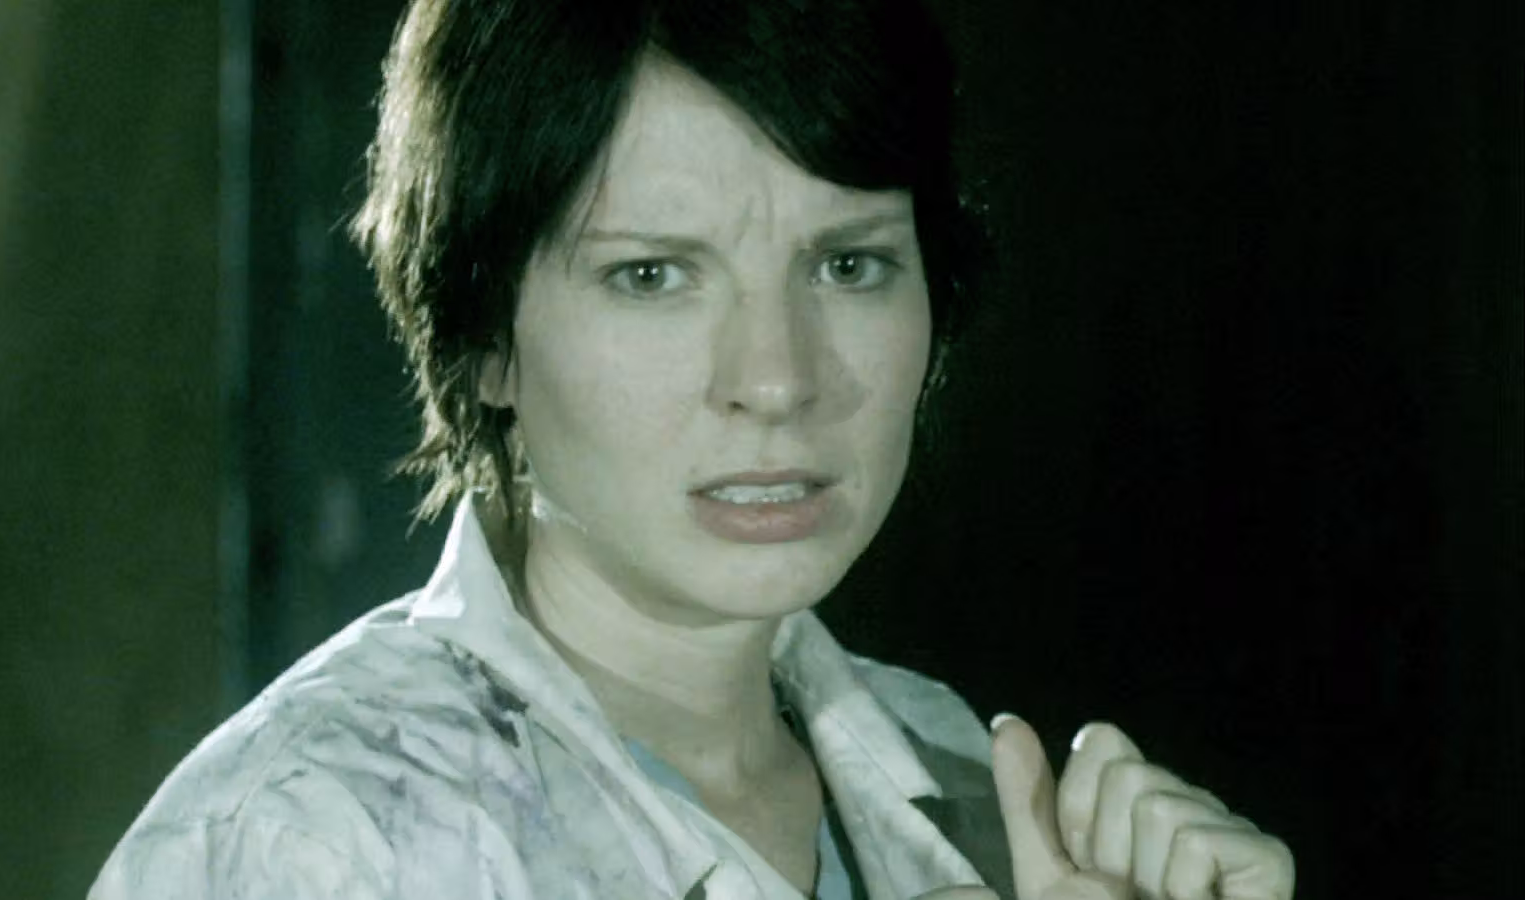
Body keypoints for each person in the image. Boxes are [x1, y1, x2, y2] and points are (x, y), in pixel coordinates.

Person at [90, 0, 1296, 897]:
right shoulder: (311, 837)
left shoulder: (971, 792)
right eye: (652, 276)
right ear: (485, 339)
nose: (776, 379)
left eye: (849, 264)